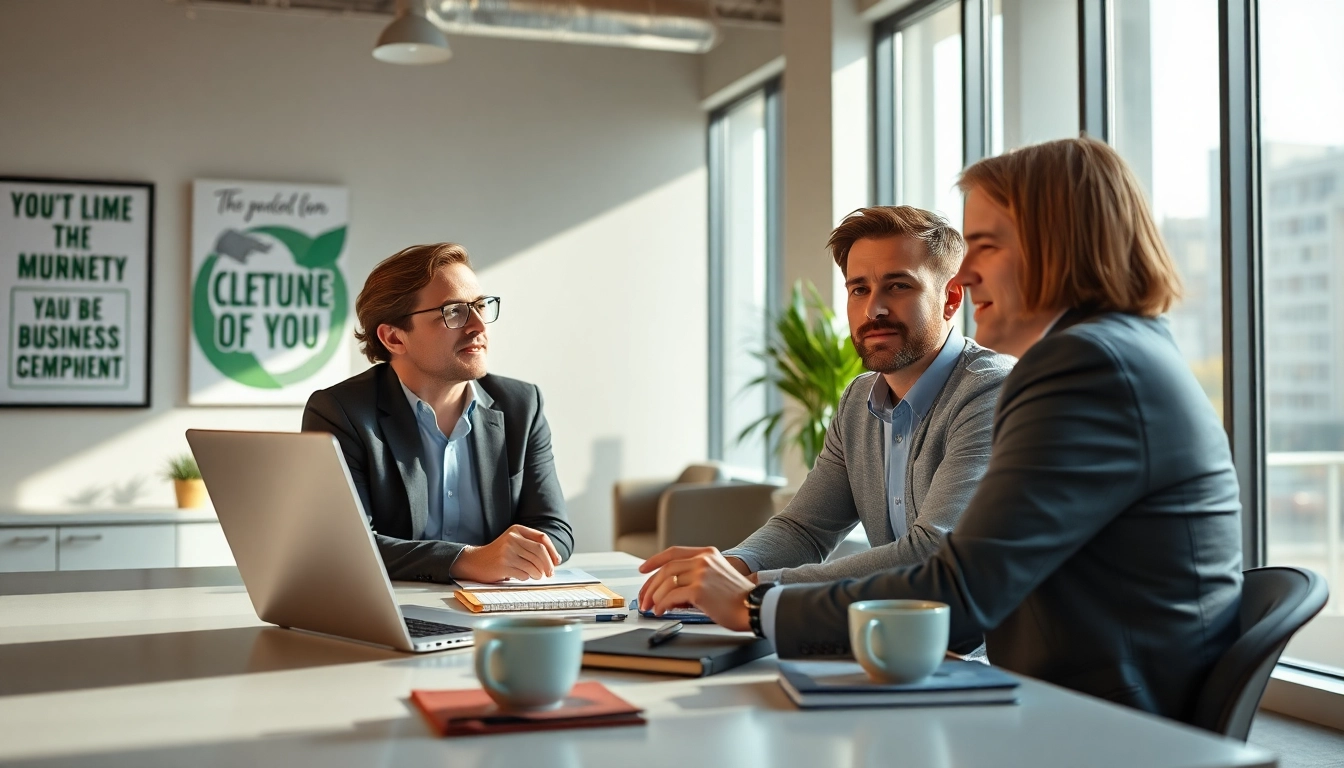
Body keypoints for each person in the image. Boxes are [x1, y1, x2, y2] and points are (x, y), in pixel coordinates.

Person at [638, 136, 1244, 723]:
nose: (968, 274)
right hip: (1083, 698)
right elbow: (817, 530)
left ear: (1060, 247)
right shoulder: (1117, 350)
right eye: (859, 289)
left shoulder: (1081, 367)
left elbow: (957, 583)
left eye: (987, 246)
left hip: (1104, 723)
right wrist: (737, 571)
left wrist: (754, 603)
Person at [699, 206, 1012, 584]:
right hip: (895, 621)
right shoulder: (858, 401)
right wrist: (726, 568)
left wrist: (752, 587)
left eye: (898, 286)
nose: (873, 309)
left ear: (951, 298)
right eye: (859, 289)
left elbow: (932, 553)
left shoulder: (992, 392)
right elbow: (805, 529)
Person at [303, 242, 573, 584]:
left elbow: (554, 527)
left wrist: (523, 555)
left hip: (496, 603)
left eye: (480, 306)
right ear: (394, 338)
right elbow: (345, 545)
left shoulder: (521, 405)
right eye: (454, 312)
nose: (479, 326)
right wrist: (466, 561)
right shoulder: (340, 413)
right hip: (396, 604)